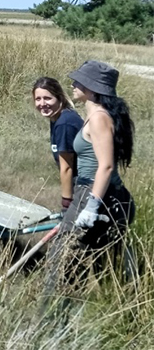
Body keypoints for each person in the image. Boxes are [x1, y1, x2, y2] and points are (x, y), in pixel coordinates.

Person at [43, 60, 136, 301]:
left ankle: (54, 312)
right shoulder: (92, 115)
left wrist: (92, 205)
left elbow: (106, 165)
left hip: (95, 192)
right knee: (96, 257)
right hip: (92, 190)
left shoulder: (99, 119)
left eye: (79, 81)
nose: (73, 84)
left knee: (62, 254)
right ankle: (88, 305)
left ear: (93, 89)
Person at [32, 77, 83, 214]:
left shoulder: (65, 123)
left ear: (59, 98)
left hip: (86, 188)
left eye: (48, 98)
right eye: (38, 99)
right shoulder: (58, 117)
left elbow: (67, 168)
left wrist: (67, 204)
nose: (42, 103)